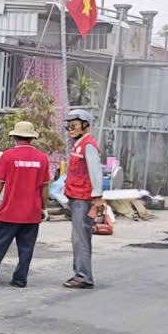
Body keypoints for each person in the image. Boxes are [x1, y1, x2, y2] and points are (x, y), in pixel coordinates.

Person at [0, 121, 51, 288]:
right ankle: (20, 279)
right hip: (31, 213)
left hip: (9, 212)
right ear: (32, 138)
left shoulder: (8, 156)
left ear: (14, 137)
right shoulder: (42, 159)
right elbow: (45, 187)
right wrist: (44, 208)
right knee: (26, 248)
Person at [63, 108, 104, 289]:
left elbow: (96, 172)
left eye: (74, 125)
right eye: (68, 126)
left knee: (80, 238)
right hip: (76, 197)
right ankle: (80, 274)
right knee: (78, 238)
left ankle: (83, 276)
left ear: (85, 125)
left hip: (83, 198)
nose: (70, 129)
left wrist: (97, 198)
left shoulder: (88, 145)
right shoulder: (79, 144)